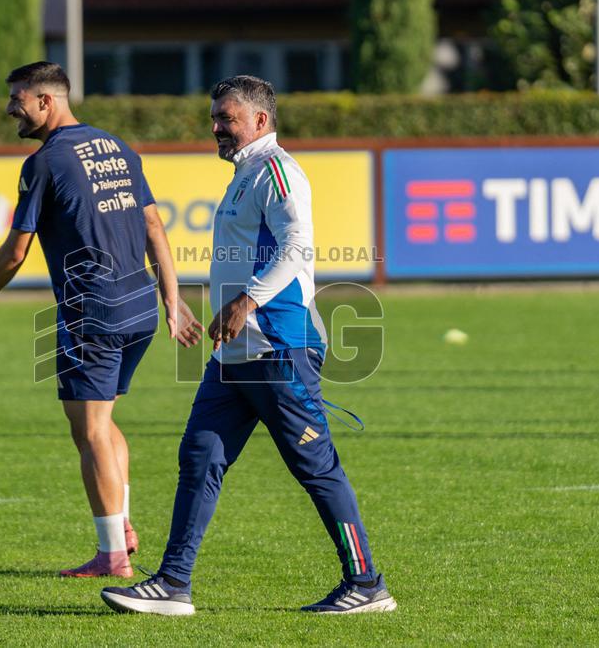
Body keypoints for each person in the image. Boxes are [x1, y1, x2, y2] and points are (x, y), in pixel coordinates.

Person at [101, 76, 395, 615]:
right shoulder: (247, 173)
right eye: (214, 117)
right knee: (200, 455)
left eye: (226, 118)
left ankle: (366, 584)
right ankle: (172, 584)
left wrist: (248, 302)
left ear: (260, 121)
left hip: (279, 346)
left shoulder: (279, 170)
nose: (216, 127)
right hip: (236, 353)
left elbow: (298, 246)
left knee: (315, 466)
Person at [0, 61, 201, 578]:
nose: (10, 109)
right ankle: (124, 527)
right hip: (138, 304)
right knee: (103, 421)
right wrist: (171, 299)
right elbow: (154, 225)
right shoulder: (117, 146)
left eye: (17, 99)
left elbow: (14, 251)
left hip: (92, 311)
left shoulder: (44, 162)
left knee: (89, 429)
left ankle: (112, 555)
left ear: (46, 101)